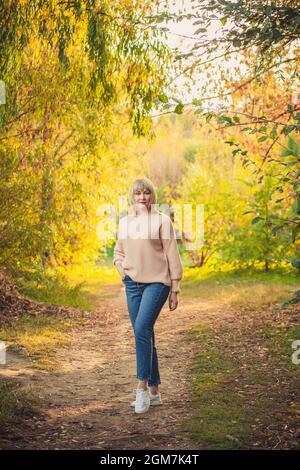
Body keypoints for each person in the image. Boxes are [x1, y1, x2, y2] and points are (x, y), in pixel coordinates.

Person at [113, 177, 183, 414]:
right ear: (132, 197)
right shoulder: (124, 223)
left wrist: (175, 288)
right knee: (145, 333)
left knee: (141, 329)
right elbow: (118, 251)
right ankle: (155, 392)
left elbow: (173, 256)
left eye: (146, 193)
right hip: (132, 284)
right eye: (137, 193)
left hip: (157, 284)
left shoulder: (162, 221)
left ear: (152, 196)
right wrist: (122, 270)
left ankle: (141, 388)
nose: (142, 197)